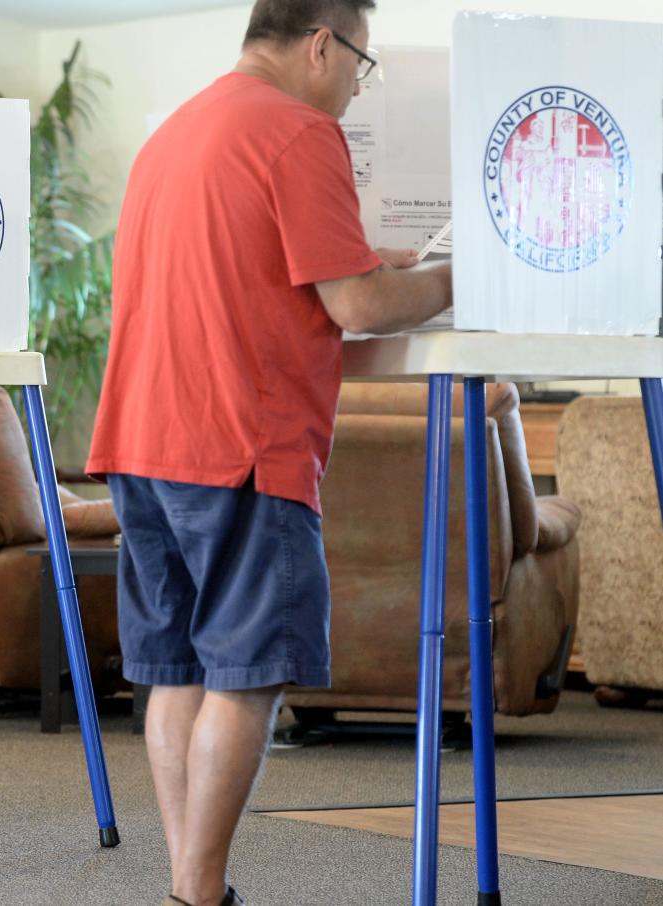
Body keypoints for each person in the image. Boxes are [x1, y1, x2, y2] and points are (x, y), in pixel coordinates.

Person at [85, 2, 453, 904]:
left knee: (175, 671)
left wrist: (378, 264)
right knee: (246, 679)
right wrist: (460, 276)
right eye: (359, 63)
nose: (354, 89)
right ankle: (200, 892)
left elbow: (260, 276)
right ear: (323, 42)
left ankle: (189, 886)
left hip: (141, 437)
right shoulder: (299, 131)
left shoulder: (177, 130)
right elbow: (358, 308)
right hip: (238, 444)